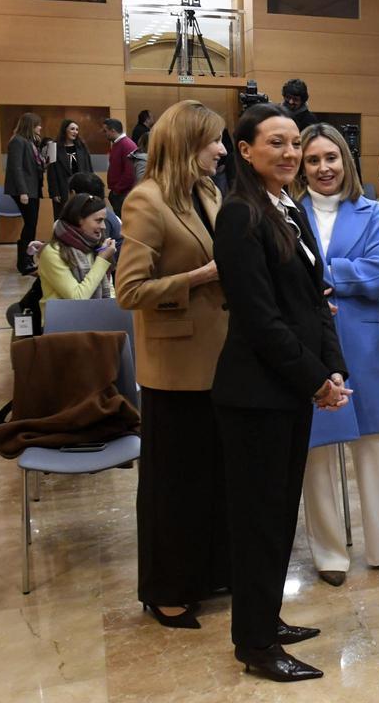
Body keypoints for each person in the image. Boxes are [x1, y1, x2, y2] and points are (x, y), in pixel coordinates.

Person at [212, 103, 350, 683]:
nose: (291, 153)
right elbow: (261, 321)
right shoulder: (239, 215)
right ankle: (256, 645)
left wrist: (333, 369)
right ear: (245, 151)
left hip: (287, 390)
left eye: (295, 142)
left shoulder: (284, 206)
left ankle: (265, 618)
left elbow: (315, 299)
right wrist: (314, 379)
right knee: (259, 522)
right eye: (277, 143)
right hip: (255, 395)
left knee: (277, 514)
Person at [116, 100, 231, 629]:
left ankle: (208, 574)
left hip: (220, 358)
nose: (222, 150)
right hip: (174, 367)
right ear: (187, 143)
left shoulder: (209, 191)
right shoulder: (147, 200)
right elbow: (129, 290)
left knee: (211, 478)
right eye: (214, 140)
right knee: (172, 486)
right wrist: (199, 277)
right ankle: (166, 590)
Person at [291, 123, 379, 587]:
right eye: (313, 160)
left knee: (374, 446)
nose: (324, 168)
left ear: (346, 161)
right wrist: (338, 276)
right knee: (316, 452)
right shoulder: (287, 211)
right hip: (308, 342)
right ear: (302, 166)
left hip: (361, 340)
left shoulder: (371, 212)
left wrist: (319, 275)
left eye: (331, 157)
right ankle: (329, 554)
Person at [38, 193, 116, 314]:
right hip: (63, 320)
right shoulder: (52, 252)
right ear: (79, 219)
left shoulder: (96, 246)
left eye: (104, 220)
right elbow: (77, 298)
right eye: (98, 220)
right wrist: (102, 260)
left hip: (97, 317)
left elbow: (109, 290)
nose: (103, 226)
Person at [4, 112, 45, 275]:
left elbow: (34, 165)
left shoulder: (30, 142)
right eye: (37, 124)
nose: (40, 127)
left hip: (33, 189)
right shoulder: (17, 141)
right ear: (30, 125)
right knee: (30, 225)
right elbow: (16, 168)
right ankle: (23, 262)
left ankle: (28, 259)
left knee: (31, 224)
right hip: (25, 190)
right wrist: (23, 191)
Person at [69, 172, 123, 260]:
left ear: (73, 193)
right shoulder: (102, 214)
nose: (102, 226)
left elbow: (101, 250)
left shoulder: (102, 218)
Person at [48, 119, 94, 206]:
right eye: (72, 129)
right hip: (62, 189)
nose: (75, 132)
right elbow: (51, 173)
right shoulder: (53, 147)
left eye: (77, 129)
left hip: (82, 189)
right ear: (64, 130)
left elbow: (89, 169)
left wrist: (92, 188)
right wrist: (54, 192)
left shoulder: (82, 146)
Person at [103, 117, 138, 216]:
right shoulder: (117, 144)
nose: (104, 134)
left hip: (124, 193)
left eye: (105, 131)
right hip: (119, 193)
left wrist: (117, 190)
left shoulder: (127, 145)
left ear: (113, 130)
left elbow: (130, 173)